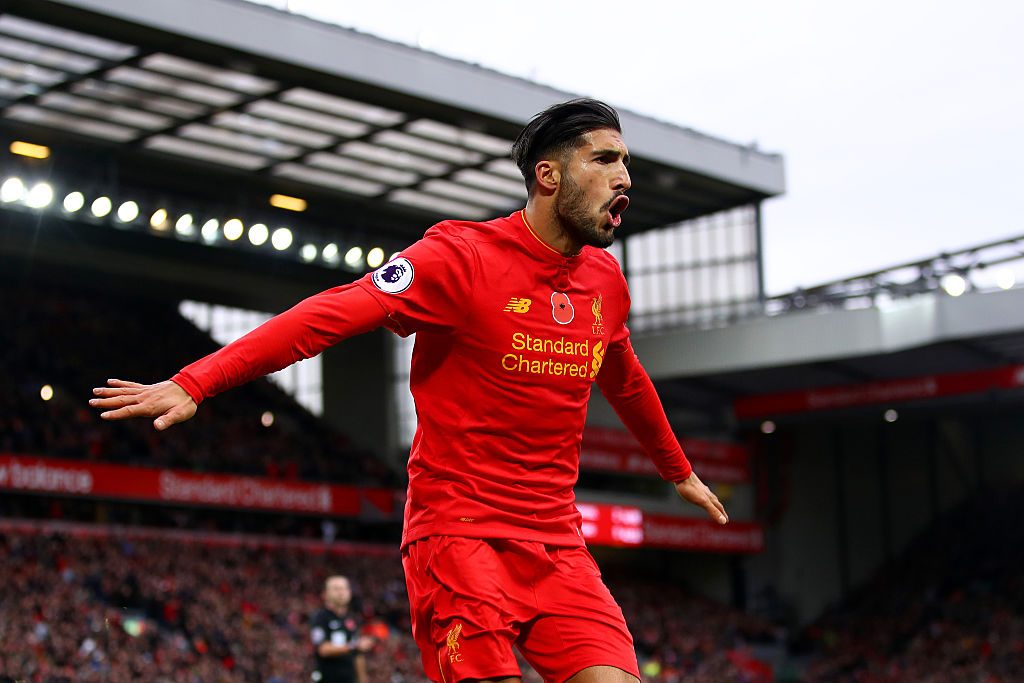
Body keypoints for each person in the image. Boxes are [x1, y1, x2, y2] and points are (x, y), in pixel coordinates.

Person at [90, 98, 729, 683]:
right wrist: (196, 381)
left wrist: (678, 471)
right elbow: (331, 314)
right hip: (460, 533)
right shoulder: (460, 257)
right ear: (549, 176)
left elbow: (623, 374)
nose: (625, 178)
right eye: (606, 159)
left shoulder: (605, 281)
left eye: (627, 163)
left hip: (556, 541)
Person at [310, 575, 374, 683]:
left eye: (344, 588)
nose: (341, 592)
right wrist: (353, 646)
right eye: (336, 589)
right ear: (326, 594)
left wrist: (363, 680)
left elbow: (358, 655)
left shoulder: (352, 619)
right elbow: (323, 649)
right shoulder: (320, 617)